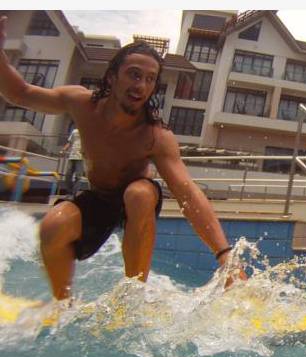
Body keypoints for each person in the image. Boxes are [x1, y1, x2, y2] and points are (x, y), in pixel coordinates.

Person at [0, 16, 243, 300]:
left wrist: (224, 254)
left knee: (138, 194)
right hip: (99, 199)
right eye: (134, 75)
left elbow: (187, 193)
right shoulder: (82, 104)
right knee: (52, 226)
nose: (141, 85)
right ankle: (62, 305)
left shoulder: (155, 136)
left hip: (137, 203)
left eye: (150, 79)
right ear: (112, 76)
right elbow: (21, 93)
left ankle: (133, 296)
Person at [61, 126, 84, 196]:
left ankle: (74, 193)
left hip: (81, 157)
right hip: (72, 156)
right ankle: (69, 191)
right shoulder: (74, 131)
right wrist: (63, 149)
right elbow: (70, 142)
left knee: (78, 176)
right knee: (68, 175)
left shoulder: (86, 131)